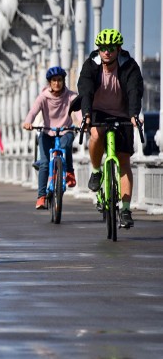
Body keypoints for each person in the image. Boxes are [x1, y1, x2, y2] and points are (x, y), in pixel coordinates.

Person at [77, 28, 144, 228]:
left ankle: (125, 209)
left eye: (111, 48)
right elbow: (85, 90)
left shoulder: (129, 66)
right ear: (98, 49)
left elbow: (135, 90)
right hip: (97, 112)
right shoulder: (91, 65)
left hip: (123, 114)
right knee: (96, 134)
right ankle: (96, 171)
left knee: (124, 161)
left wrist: (134, 114)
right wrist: (86, 114)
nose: (107, 52)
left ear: (118, 49)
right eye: (103, 48)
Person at [22, 66, 79, 210]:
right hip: (47, 132)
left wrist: (83, 122)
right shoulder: (43, 97)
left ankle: (70, 172)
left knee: (66, 146)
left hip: (66, 130)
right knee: (45, 164)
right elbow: (33, 112)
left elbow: (79, 112)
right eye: (54, 80)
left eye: (60, 80)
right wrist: (28, 122)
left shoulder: (71, 96)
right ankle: (41, 197)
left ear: (63, 81)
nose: (57, 83)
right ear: (49, 82)